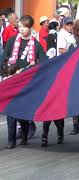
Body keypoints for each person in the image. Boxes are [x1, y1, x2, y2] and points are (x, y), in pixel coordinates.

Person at [0, 15, 47, 149]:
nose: (21, 29)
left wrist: (29, 69)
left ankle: (25, 136)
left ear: (30, 28)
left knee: (23, 111)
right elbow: (3, 58)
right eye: (19, 26)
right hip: (12, 79)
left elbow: (43, 63)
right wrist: (5, 74)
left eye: (24, 27)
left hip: (26, 82)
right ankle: (11, 140)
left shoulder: (36, 45)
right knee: (10, 110)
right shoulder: (12, 41)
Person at [41, 20, 64, 147]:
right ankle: (44, 137)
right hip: (48, 95)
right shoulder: (50, 53)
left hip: (56, 94)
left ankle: (60, 135)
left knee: (58, 119)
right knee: (47, 120)